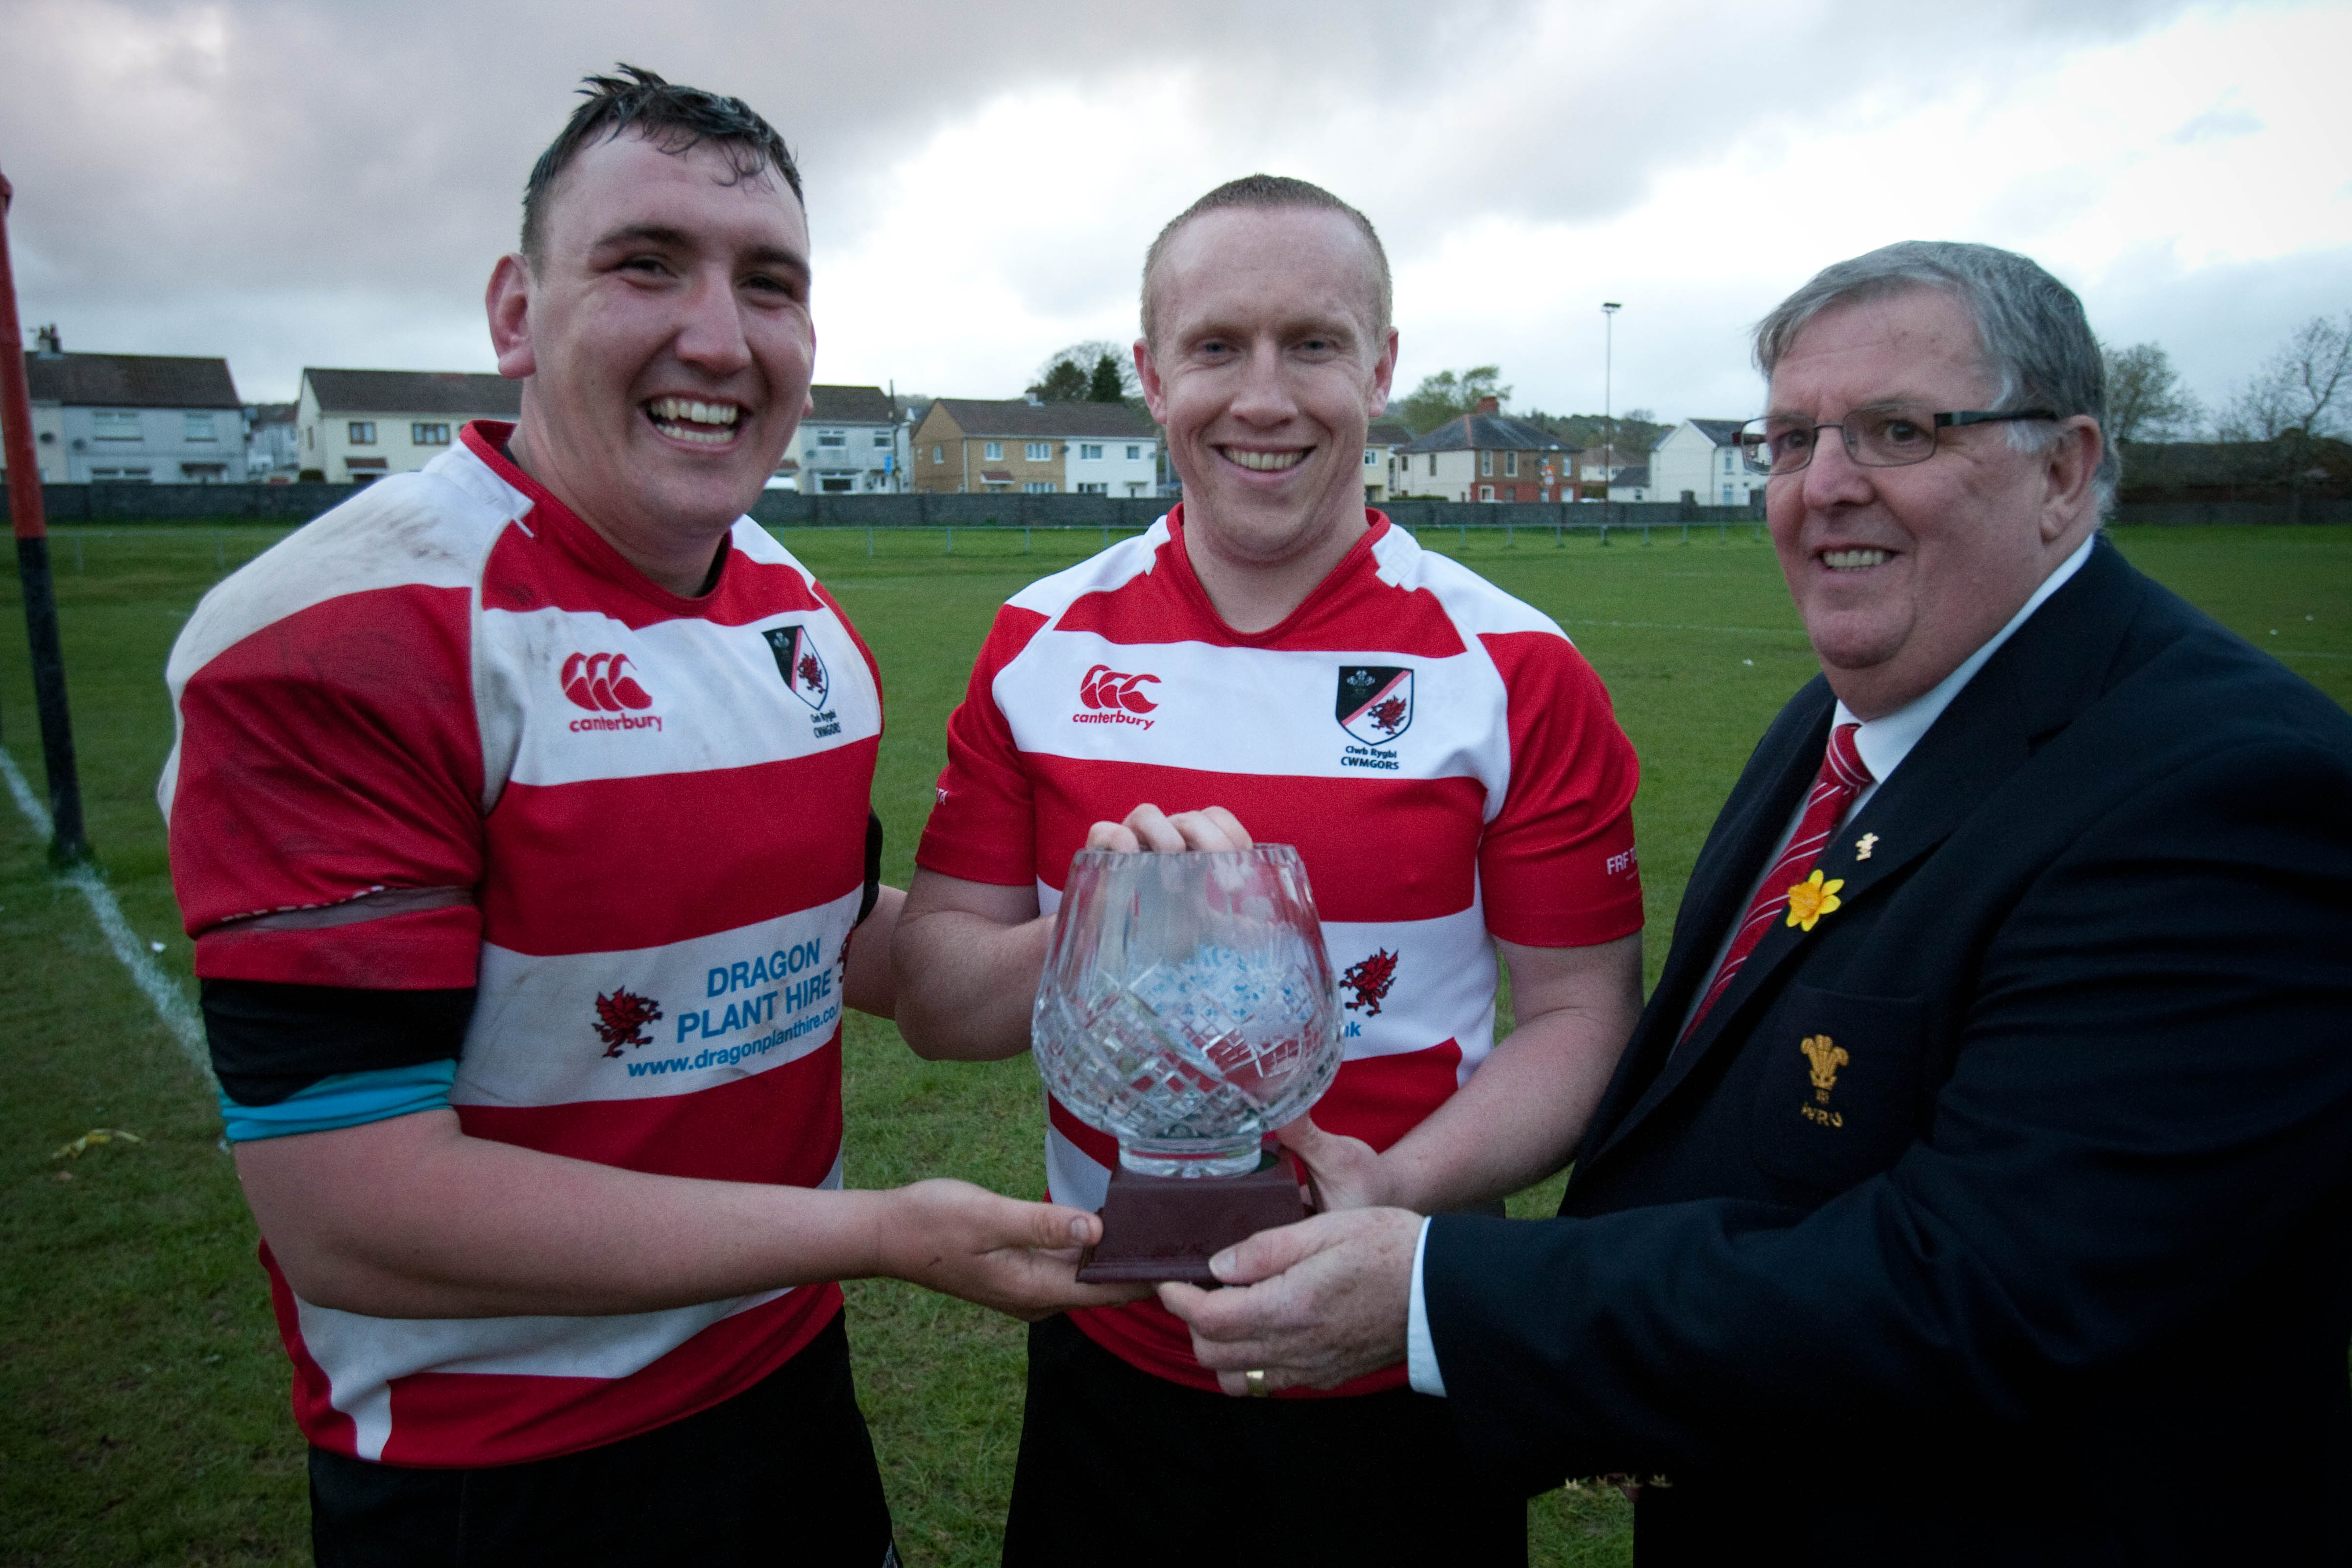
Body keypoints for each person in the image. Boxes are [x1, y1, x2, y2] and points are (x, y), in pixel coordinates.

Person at [1163, 240, 2352, 1563]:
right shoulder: (1850, 714)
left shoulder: (2219, 795)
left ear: (2065, 472)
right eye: (1789, 439)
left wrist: (1442, 1292)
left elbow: (1980, 1293)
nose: (1825, 487)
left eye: (1900, 431)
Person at [161, 66, 1121, 1567]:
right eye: (645, 263)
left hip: (788, 1399)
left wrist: (1109, 932)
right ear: (512, 309)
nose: (719, 338)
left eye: (772, 285)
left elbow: (832, 939)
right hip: (499, 1467)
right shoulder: (337, 634)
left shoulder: (800, 617)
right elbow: (352, 1207)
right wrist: (883, 1235)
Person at [891, 174, 1648, 1565]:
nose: (1264, 396)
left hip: (1399, 1351)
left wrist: (1396, 1193)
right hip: (1113, 1352)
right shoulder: (1037, 646)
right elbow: (936, 1002)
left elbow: (1584, 1021)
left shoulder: (1516, 670)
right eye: (1216, 347)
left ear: (1383, 367)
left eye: (1312, 344)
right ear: (1149, 374)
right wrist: (1106, 933)